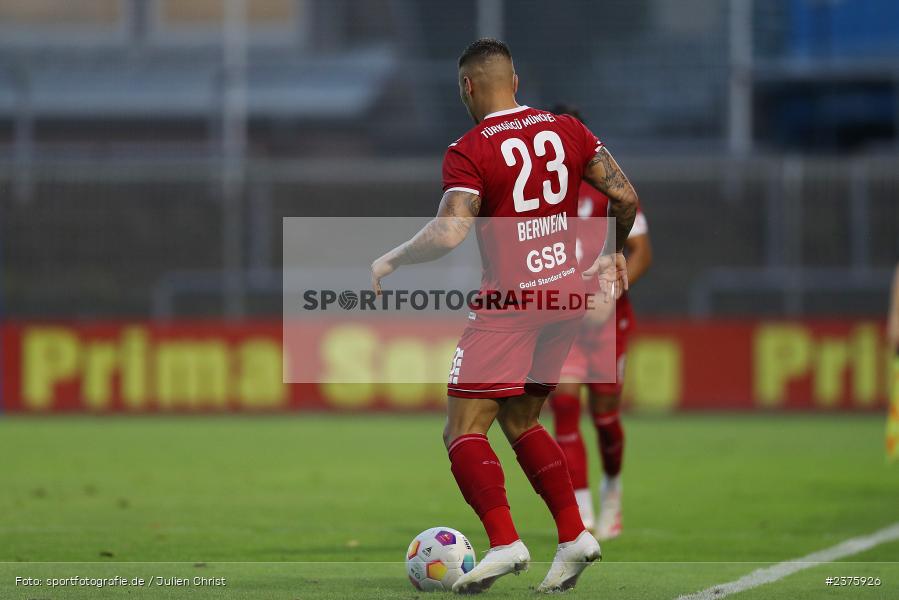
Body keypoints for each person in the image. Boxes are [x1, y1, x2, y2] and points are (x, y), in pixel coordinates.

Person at [370, 38, 638, 593]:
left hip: (511, 303)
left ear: (467, 87)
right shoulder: (567, 129)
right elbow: (626, 196)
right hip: (564, 298)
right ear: (514, 81)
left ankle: (506, 543)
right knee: (520, 420)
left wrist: (394, 256)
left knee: (463, 429)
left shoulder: (469, 148)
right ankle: (574, 535)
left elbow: (449, 232)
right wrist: (609, 252)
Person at [547, 106, 652, 541]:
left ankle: (612, 488)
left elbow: (641, 251)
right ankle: (583, 509)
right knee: (566, 406)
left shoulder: (610, 187)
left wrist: (612, 293)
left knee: (606, 418)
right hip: (562, 323)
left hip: (608, 323)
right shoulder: (539, 195)